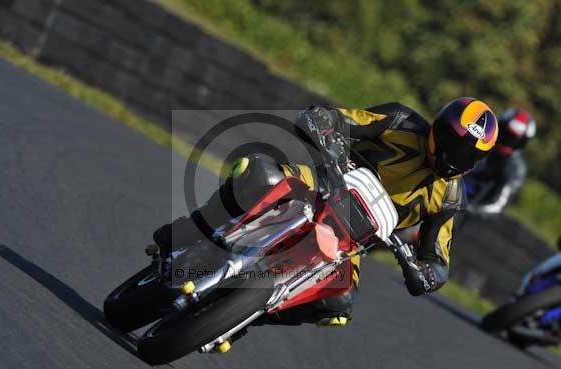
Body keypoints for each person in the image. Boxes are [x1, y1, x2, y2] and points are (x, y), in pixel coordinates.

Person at [154, 97, 498, 326]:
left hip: (353, 239)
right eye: (452, 144)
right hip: (320, 184)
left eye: (466, 155)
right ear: (437, 129)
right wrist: (325, 126)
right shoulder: (401, 121)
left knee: (338, 306)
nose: (454, 157)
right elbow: (339, 118)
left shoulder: (451, 199)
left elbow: (438, 258)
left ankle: (240, 320)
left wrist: (427, 273)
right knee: (256, 173)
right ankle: (188, 232)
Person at [465, 108, 536, 214]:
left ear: (522, 142)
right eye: (505, 133)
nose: (507, 140)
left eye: (513, 139)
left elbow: (497, 206)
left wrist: (468, 208)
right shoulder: (482, 142)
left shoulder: (516, 169)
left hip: (471, 213)